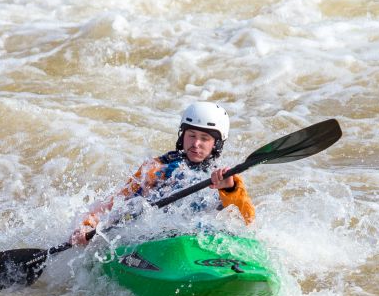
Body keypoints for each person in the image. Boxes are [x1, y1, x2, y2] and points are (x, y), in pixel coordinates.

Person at [69, 101, 254, 246]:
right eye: (191, 135)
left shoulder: (227, 179)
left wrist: (229, 189)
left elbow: (247, 220)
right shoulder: (158, 169)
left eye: (204, 138)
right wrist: (87, 226)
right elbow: (115, 204)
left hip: (202, 241)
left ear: (217, 144)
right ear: (182, 136)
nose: (196, 143)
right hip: (160, 242)